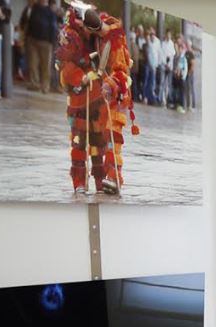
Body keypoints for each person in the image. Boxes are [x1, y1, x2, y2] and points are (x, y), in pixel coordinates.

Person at [56, 5, 138, 194]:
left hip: (107, 99)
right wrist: (80, 77)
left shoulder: (113, 36)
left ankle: (111, 179)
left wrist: (112, 84)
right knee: (79, 140)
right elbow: (66, 68)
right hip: (80, 99)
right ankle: (79, 182)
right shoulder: (70, 37)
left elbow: (121, 68)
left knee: (108, 138)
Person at [25, 0, 53, 93]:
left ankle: (45, 86)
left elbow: (53, 27)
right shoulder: (34, 8)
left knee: (45, 65)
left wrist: (51, 41)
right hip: (32, 40)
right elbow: (28, 21)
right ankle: (35, 84)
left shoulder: (50, 11)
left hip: (46, 42)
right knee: (33, 63)